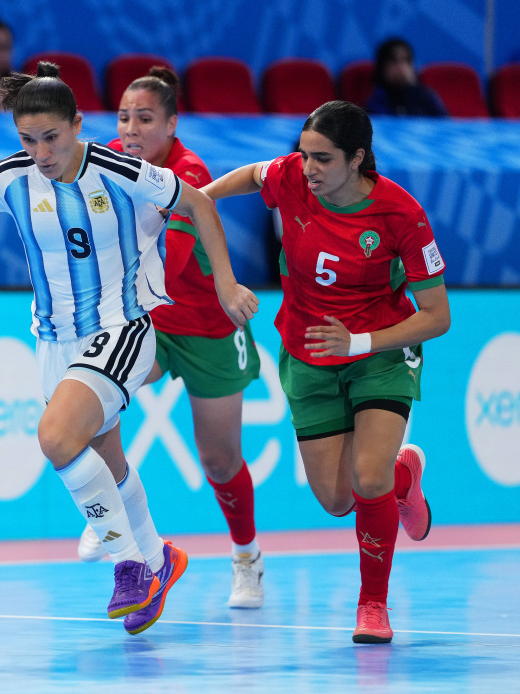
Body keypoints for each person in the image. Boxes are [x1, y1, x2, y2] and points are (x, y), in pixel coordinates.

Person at [0, 62, 258, 635]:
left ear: (78, 125)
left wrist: (227, 284)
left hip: (122, 326)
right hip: (53, 341)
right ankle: (159, 557)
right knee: (105, 457)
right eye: (28, 140)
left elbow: (200, 205)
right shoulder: (8, 177)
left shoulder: (120, 170)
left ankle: (129, 563)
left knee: (57, 437)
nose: (41, 152)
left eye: (51, 137)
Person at [202, 100, 450, 643]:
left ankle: (373, 606)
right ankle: (404, 476)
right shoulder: (293, 177)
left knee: (367, 478)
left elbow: (438, 317)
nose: (308, 167)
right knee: (339, 500)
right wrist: (201, 200)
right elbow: (252, 174)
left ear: (358, 158)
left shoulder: (400, 215)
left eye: (323, 158)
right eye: (304, 154)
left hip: (380, 353)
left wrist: (359, 341)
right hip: (310, 353)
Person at [74, 66, 265, 609]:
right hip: (153, 324)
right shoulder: (110, 157)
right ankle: (113, 513)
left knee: (221, 461)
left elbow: (173, 264)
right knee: (92, 401)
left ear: (173, 124)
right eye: (124, 117)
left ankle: (247, 557)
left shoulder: (189, 172)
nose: (130, 129)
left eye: (145, 119)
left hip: (207, 327)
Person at [365, 38, 447, 117]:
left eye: (406, 60)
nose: (401, 67)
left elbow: (444, 124)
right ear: (382, 67)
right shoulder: (376, 99)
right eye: (394, 61)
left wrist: (412, 89)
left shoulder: (425, 95)